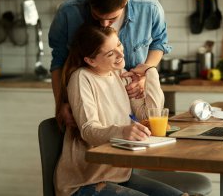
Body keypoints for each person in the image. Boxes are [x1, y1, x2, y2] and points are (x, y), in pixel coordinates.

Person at [54, 23, 186, 196]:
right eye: (110, 53)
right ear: (90, 60)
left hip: (119, 174)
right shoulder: (81, 79)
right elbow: (88, 130)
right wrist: (123, 132)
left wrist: (151, 72)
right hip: (83, 182)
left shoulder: (120, 75)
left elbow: (149, 116)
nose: (120, 54)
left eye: (118, 44)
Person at [48, 0, 171, 128]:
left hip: (133, 97)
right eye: (97, 17)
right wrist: (61, 104)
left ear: (125, 1)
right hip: (89, 104)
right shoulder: (68, 12)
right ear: (89, 0)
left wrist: (145, 72)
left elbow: (159, 43)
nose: (104, 24)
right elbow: (58, 60)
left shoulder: (151, 9)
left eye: (112, 19)